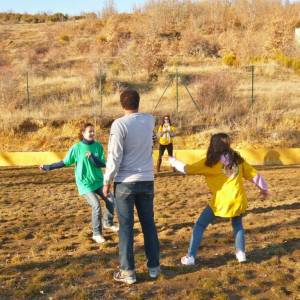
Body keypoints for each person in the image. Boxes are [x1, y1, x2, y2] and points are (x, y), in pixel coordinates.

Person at [169, 133, 268, 265]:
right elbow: (253, 174)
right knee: (237, 225)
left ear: (213, 145)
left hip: (221, 202)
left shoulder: (209, 163)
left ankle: (190, 257)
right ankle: (241, 254)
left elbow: (187, 169)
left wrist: (173, 162)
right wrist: (264, 188)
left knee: (200, 225)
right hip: (238, 199)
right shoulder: (237, 159)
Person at [103, 89, 160, 284]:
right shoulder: (150, 120)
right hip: (147, 179)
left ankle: (128, 272)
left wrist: (107, 180)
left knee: (126, 228)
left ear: (121, 104)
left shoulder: (119, 124)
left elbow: (115, 155)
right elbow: (154, 139)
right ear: (138, 102)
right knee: (149, 225)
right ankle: (154, 267)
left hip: (125, 182)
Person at [39, 123, 118, 244]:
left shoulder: (98, 146)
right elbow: (65, 162)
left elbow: (102, 164)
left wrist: (92, 157)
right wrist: (48, 167)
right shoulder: (76, 148)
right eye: (89, 131)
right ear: (83, 133)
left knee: (111, 201)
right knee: (96, 205)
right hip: (85, 184)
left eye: (93, 131)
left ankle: (108, 222)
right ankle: (96, 234)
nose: (92, 133)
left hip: (98, 181)